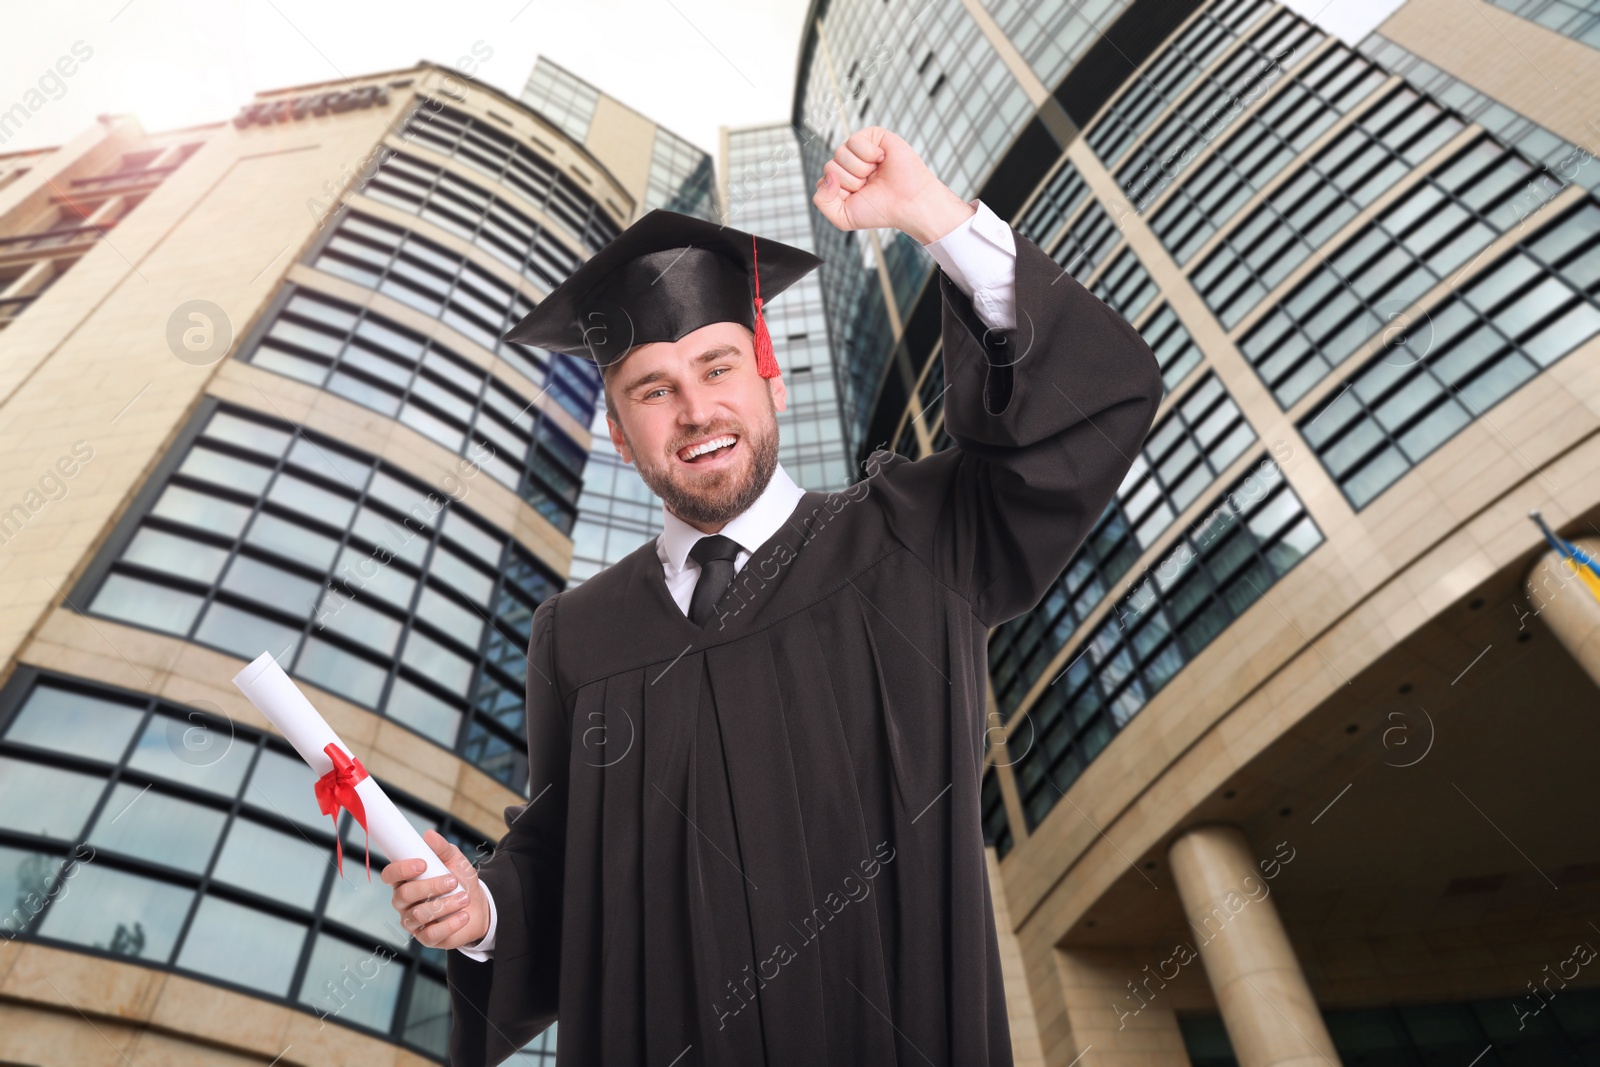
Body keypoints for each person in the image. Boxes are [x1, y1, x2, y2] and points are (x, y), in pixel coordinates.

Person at [383, 126, 1164, 1066]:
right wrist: (486, 910)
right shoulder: (576, 635)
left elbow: (1083, 410)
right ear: (621, 439)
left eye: (717, 368)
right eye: (653, 391)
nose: (697, 411)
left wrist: (934, 218)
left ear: (772, 381)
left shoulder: (914, 534)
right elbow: (566, 862)